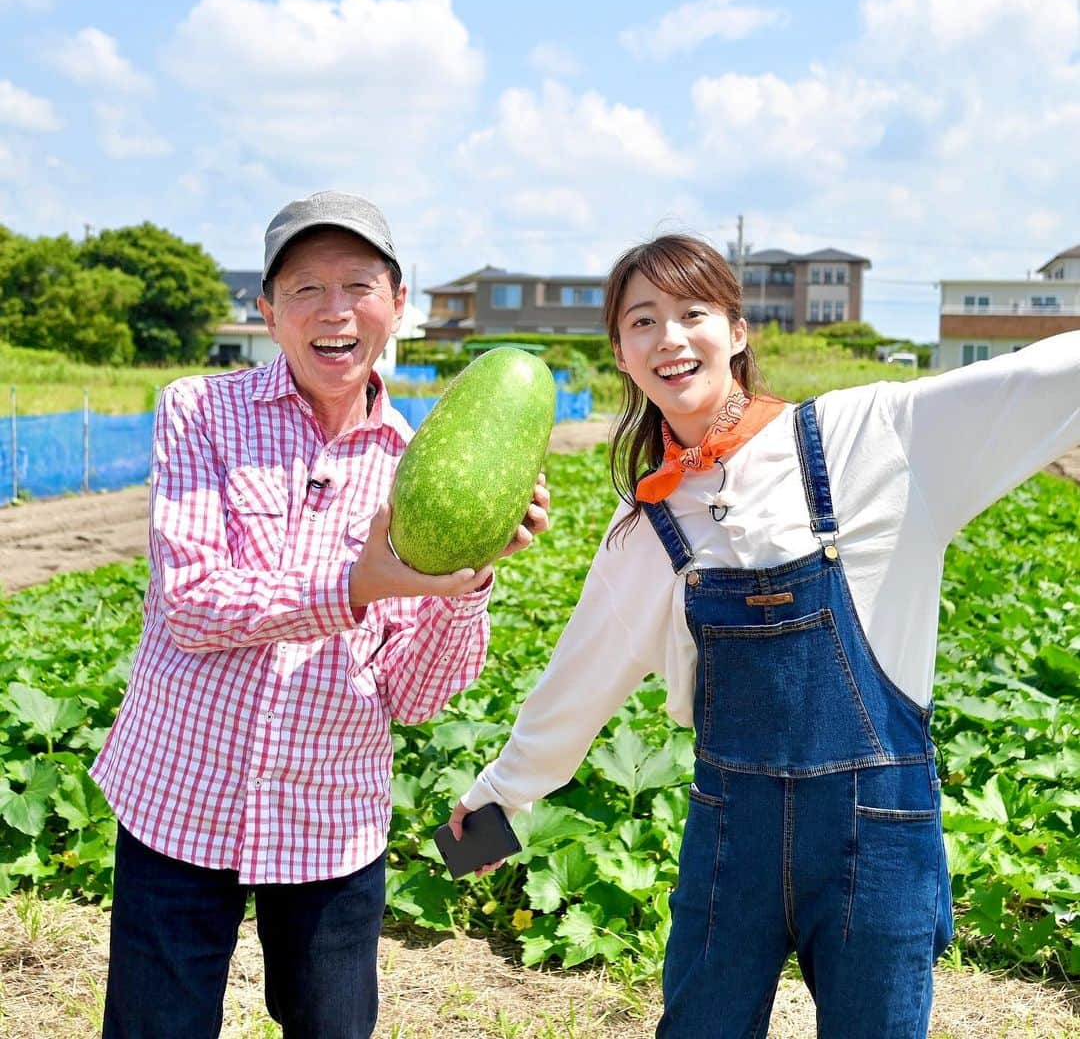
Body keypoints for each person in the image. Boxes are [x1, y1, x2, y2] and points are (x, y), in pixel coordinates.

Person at [451, 234, 1080, 1038]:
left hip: (876, 838)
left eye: (692, 313)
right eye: (643, 322)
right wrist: (484, 822)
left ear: (738, 331)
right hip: (729, 838)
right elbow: (575, 688)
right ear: (620, 352)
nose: (670, 339)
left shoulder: (871, 437)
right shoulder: (647, 525)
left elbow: (1038, 379)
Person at [92, 190, 550, 1039]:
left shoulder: (426, 466)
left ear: (398, 304)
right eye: (305, 289)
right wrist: (357, 585)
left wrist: (471, 580)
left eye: (359, 286)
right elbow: (191, 602)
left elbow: (413, 696)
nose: (335, 312)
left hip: (330, 820)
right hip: (179, 799)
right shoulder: (198, 410)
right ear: (268, 312)